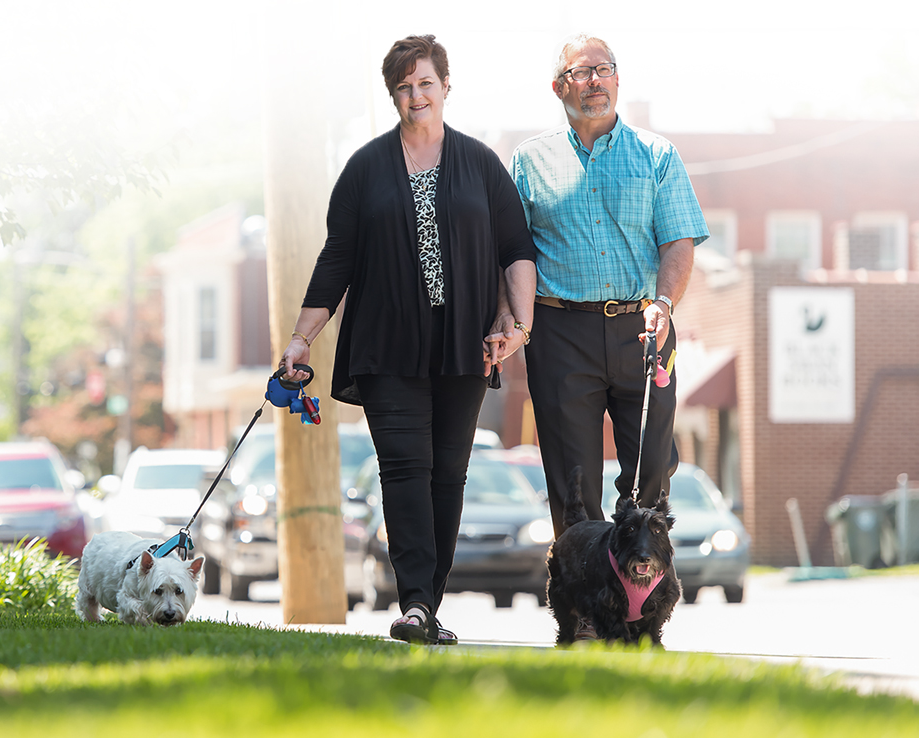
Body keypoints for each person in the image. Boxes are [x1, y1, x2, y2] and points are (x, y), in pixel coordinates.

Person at [278, 35, 537, 645]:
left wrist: (518, 326)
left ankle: (430, 600)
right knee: (403, 469)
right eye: (404, 86)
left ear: (446, 86)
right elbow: (336, 258)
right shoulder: (366, 169)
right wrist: (300, 340)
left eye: (425, 83)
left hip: (464, 344)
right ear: (393, 94)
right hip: (387, 342)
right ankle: (416, 603)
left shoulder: (480, 164)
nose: (416, 96)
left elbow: (516, 249)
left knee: (448, 474)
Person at [509, 34, 709, 627]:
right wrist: (511, 323)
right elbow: (514, 253)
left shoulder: (657, 155)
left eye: (604, 70)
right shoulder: (529, 161)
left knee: (651, 469)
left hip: (645, 328)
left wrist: (664, 303)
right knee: (573, 484)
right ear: (559, 87)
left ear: (618, 80)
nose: (594, 80)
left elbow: (678, 241)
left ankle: (644, 613)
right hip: (560, 331)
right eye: (580, 72)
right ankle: (582, 616)